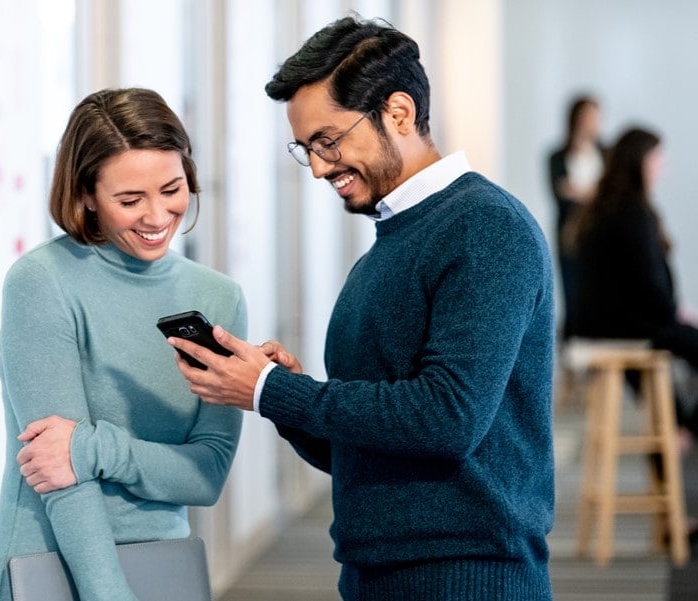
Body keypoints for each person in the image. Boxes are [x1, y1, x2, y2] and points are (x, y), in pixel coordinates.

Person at [167, 16, 555, 600]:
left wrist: (274, 389)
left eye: (329, 140)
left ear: (398, 113)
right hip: (383, 572)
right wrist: (283, 396)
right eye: (306, 149)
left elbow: (448, 419)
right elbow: (370, 453)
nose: (320, 167)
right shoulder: (390, 243)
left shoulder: (484, 227)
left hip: (467, 575)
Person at [0, 87, 247, 601]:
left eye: (171, 188)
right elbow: (61, 481)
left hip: (165, 567)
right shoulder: (41, 281)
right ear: (85, 196)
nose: (157, 215)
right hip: (47, 567)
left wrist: (91, 448)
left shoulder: (219, 297)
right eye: (129, 200)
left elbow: (206, 474)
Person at [566, 126, 698, 442]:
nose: (662, 167)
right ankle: (684, 432)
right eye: (657, 159)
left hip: (601, 325)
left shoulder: (599, 209)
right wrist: (675, 314)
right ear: (639, 163)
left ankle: (675, 429)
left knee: (661, 362)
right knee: (679, 342)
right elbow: (651, 287)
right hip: (626, 327)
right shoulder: (633, 213)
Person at [548, 95, 605, 339]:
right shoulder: (558, 155)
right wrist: (592, 192)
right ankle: (572, 349)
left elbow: (606, 193)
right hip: (570, 232)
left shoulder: (606, 152)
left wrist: (579, 190)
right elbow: (560, 191)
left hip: (600, 231)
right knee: (571, 290)